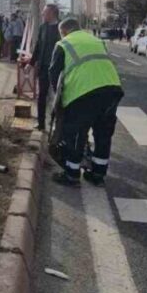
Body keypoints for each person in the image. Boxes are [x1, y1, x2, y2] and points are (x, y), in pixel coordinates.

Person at [49, 18, 123, 187]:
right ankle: (98, 174)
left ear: (65, 31)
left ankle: (72, 174)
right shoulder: (97, 41)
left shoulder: (63, 44)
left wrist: (59, 102)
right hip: (112, 90)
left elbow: (54, 74)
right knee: (103, 134)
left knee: (76, 134)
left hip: (83, 94)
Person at [30, 3, 61, 130]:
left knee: (58, 96)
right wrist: (31, 63)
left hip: (58, 69)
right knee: (41, 95)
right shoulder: (43, 27)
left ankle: (57, 125)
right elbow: (38, 46)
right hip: (44, 67)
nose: (43, 14)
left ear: (52, 13)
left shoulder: (61, 28)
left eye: (45, 12)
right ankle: (41, 123)